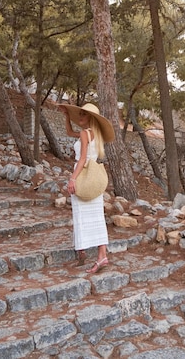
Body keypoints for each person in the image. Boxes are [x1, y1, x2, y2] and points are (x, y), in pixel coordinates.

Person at [58, 102, 115, 273]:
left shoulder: (85, 134)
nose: (80, 117)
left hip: (83, 176)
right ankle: (99, 254)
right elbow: (69, 132)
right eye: (80, 114)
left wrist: (72, 179)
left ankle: (86, 251)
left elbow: (82, 159)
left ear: (90, 118)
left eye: (83, 115)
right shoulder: (95, 135)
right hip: (93, 179)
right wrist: (67, 116)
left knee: (82, 215)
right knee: (96, 217)